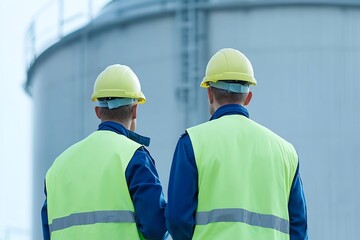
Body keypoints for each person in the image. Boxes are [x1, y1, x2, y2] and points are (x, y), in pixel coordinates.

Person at [166, 48, 308, 240]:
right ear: (248, 97)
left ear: (209, 93)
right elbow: (298, 228)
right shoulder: (286, 152)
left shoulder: (192, 142)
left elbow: (177, 220)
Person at [41, 64, 168, 240]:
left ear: (98, 111)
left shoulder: (57, 168)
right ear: (135, 110)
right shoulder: (134, 156)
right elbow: (157, 228)